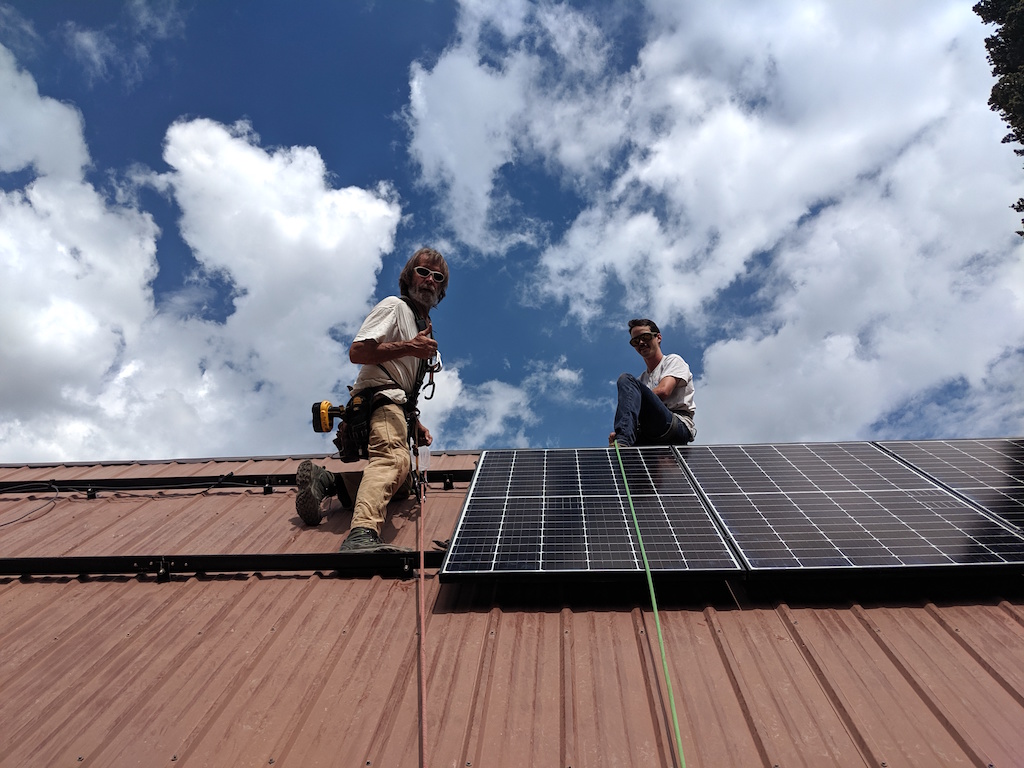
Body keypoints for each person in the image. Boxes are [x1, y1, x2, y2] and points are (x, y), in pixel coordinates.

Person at [295, 247, 448, 551]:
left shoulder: (422, 330)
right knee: (393, 459)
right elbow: (358, 353)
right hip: (379, 401)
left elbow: (399, 380)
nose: (430, 279)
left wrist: (414, 422)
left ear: (441, 288)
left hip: (396, 407)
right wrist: (409, 348)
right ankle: (362, 535)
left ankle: (326, 482)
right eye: (423, 271)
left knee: (402, 484)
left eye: (438, 276)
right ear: (408, 277)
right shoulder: (394, 307)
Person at [609, 318, 696, 447]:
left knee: (626, 379)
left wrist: (636, 399)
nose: (641, 342)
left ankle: (623, 441)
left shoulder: (672, 361)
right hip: (651, 432)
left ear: (658, 337)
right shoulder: (641, 380)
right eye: (635, 341)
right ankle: (623, 446)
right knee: (625, 447)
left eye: (645, 337)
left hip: (676, 425)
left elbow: (664, 391)